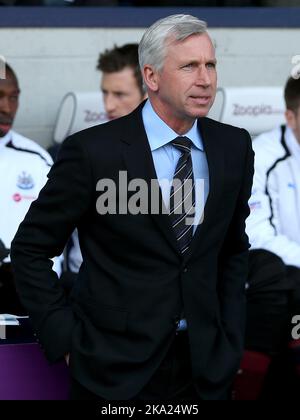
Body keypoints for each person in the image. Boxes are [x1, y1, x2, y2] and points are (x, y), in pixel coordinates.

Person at [11, 14, 254, 401]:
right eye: (189, 66)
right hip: (112, 371)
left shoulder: (234, 147)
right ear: (152, 77)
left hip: (205, 369)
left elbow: (232, 250)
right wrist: (67, 340)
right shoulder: (93, 151)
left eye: (210, 65)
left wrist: (230, 337)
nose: (206, 79)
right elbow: (30, 250)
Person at [241, 76, 300, 399]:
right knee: (277, 275)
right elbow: (256, 234)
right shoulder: (261, 154)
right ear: (290, 117)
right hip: (271, 268)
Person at [67, 43, 147, 273]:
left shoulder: (182, 150)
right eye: (105, 93)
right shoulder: (84, 152)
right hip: (90, 287)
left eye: (120, 94)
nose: (109, 105)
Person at [0, 63, 59, 314]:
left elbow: (58, 241)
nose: (7, 108)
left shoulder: (37, 159)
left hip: (28, 303)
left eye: (14, 97)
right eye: (0, 97)